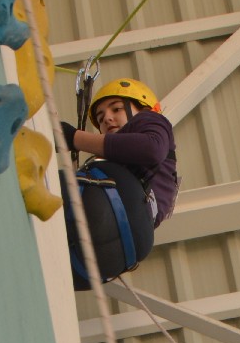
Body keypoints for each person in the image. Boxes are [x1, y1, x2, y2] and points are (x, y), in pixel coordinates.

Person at [58, 78, 179, 288]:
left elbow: (151, 149)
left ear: (143, 109)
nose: (107, 118)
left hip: (121, 212)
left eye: (116, 109)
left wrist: (74, 138)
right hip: (124, 248)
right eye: (100, 117)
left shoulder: (151, 120)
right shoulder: (121, 160)